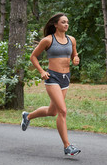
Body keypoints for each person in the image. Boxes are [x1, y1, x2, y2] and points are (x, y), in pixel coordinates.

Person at [21, 13, 81, 156]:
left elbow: (74, 54)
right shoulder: (48, 40)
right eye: (63, 22)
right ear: (56, 24)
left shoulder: (71, 39)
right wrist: (41, 71)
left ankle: (27, 116)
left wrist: (76, 58)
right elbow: (33, 56)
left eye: (67, 22)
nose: (66, 24)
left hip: (66, 78)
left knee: (52, 111)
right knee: (63, 111)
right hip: (52, 77)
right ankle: (67, 146)